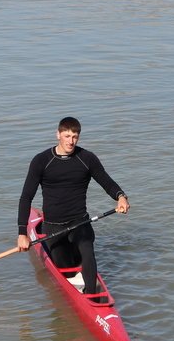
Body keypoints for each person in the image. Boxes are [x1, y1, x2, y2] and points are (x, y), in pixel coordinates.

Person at [17, 117, 130, 294]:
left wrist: (121, 197)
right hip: (54, 226)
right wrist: (22, 233)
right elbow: (26, 198)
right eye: (67, 136)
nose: (71, 141)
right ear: (58, 134)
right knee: (64, 263)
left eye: (75, 136)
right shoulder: (41, 161)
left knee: (87, 249)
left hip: (79, 222)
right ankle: (75, 279)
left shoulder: (87, 158)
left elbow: (106, 182)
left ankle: (92, 296)